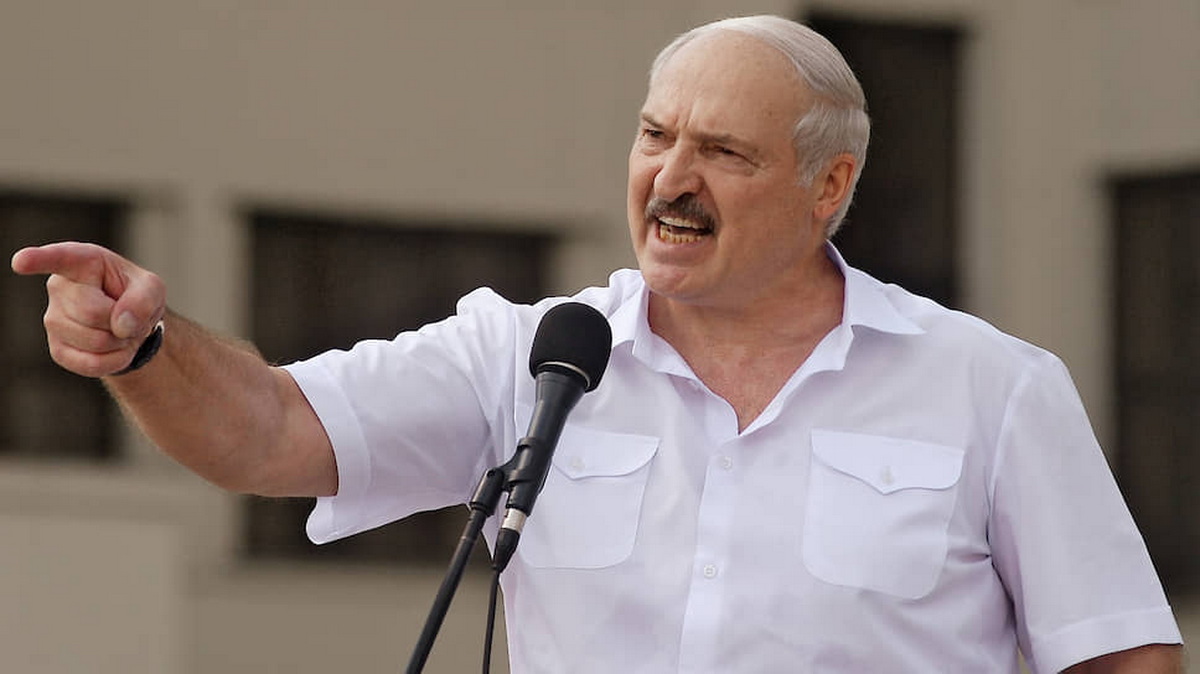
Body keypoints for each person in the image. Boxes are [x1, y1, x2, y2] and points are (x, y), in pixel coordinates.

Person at [9, 15, 1184, 674]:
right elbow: (266, 428)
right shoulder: (534, 359)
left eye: (723, 152)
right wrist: (146, 347)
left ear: (829, 186)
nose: (671, 178)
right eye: (655, 136)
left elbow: (1120, 658)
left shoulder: (993, 388)